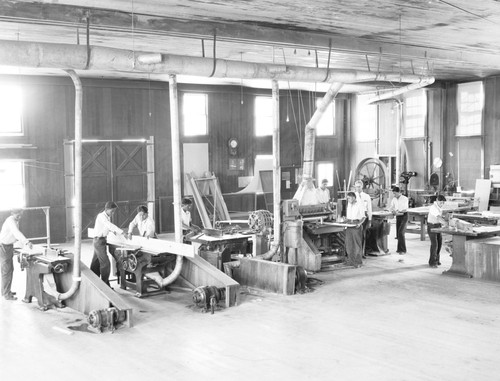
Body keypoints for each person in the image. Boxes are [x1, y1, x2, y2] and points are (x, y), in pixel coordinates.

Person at [0, 209, 33, 301]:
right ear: (12, 213)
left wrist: (21, 245)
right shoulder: (10, 220)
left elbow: (14, 236)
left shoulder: (15, 220)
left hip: (9, 246)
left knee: (10, 269)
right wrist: (27, 242)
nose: (19, 217)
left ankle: (6, 291)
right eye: (17, 215)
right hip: (3, 247)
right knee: (6, 270)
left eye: (20, 215)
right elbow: (16, 232)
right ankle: (6, 294)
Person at [90, 201, 124, 287]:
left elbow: (107, 227)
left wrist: (114, 232)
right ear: (107, 209)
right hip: (99, 241)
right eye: (112, 211)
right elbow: (109, 225)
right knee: (105, 263)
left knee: (96, 262)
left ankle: (93, 280)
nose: (113, 213)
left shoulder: (107, 217)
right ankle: (105, 284)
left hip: (102, 240)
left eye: (114, 211)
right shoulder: (101, 216)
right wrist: (122, 232)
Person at [345, 191, 366, 268]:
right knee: (349, 244)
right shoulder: (349, 205)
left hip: (356, 225)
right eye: (347, 198)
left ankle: (358, 262)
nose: (348, 200)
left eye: (349, 198)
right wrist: (345, 221)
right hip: (349, 225)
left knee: (356, 244)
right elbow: (349, 216)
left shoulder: (359, 205)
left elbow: (364, 217)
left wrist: (359, 224)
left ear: (353, 198)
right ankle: (351, 261)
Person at [427, 195, 447, 268]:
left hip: (438, 225)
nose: (442, 204)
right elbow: (438, 217)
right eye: (441, 202)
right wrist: (446, 223)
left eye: (443, 203)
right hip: (432, 226)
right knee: (434, 244)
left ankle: (437, 260)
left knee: (439, 243)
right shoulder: (433, 207)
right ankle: (432, 262)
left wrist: (445, 220)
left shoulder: (439, 207)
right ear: (437, 200)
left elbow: (440, 218)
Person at [354, 180, 372, 257]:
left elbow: (369, 208)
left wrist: (370, 219)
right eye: (356, 187)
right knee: (356, 235)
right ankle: (356, 253)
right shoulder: (353, 196)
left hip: (364, 217)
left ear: (362, 186)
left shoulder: (366, 196)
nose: (358, 188)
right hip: (355, 217)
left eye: (359, 187)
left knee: (363, 235)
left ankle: (362, 253)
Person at [389, 186, 409, 255]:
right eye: (393, 194)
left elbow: (405, 208)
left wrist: (397, 211)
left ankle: (403, 250)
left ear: (399, 192)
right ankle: (399, 249)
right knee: (398, 234)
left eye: (395, 193)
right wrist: (392, 210)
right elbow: (391, 207)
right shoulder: (394, 199)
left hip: (404, 215)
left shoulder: (405, 199)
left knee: (401, 232)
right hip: (398, 216)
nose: (394, 195)